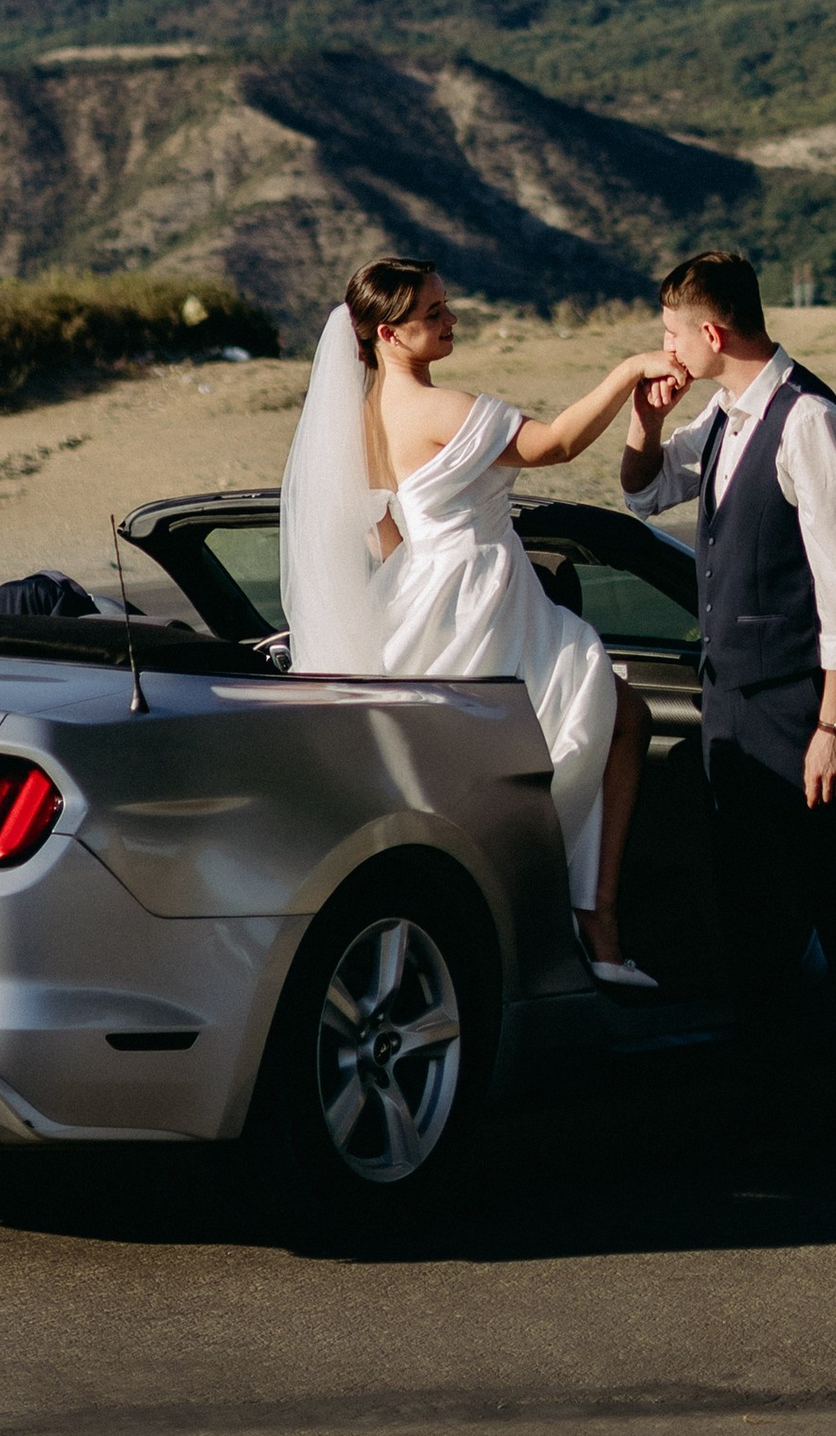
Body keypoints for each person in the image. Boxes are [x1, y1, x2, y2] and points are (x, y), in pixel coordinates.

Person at [278, 256, 668, 983]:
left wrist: (417, 582)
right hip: (483, 593)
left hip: (429, 592)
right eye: (434, 312)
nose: (452, 319)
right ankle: (595, 920)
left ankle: (550, 927)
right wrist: (628, 371)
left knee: (488, 770)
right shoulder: (435, 408)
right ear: (390, 335)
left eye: (446, 305)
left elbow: (380, 532)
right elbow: (555, 445)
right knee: (606, 723)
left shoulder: (359, 421)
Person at [621, 246, 836, 1155]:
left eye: (670, 333)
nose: (663, 348)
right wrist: (644, 424)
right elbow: (647, 494)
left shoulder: (807, 419)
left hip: (799, 708)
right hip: (732, 709)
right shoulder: (726, 413)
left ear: (712, 331)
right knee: (754, 924)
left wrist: (835, 725)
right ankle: (771, 1119)